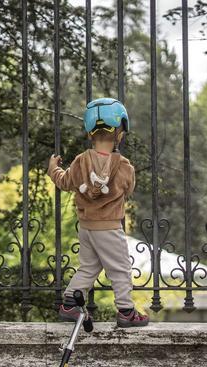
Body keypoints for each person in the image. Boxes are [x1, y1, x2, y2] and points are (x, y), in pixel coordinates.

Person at [47, 97, 149, 328]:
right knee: (120, 268)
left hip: (87, 227)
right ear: (120, 134)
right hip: (109, 227)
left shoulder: (81, 161)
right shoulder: (123, 166)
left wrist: (53, 168)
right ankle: (126, 310)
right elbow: (128, 189)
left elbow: (65, 182)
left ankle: (70, 304)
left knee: (89, 267)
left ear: (90, 133)